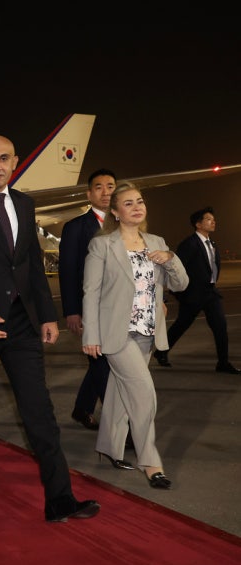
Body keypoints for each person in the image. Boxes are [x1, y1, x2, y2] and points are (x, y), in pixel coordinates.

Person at [0, 134, 100, 522]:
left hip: (21, 322)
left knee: (38, 408)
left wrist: (46, 315)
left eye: (3, 159)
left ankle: (59, 498)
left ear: (15, 162)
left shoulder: (25, 204)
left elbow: (30, 264)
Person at [82, 181, 189, 488]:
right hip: (116, 333)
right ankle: (151, 461)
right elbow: (90, 292)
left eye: (139, 201)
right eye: (128, 203)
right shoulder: (102, 245)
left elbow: (180, 285)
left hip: (147, 331)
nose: (137, 206)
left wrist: (171, 258)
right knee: (144, 394)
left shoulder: (156, 241)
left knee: (119, 391)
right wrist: (91, 334)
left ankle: (110, 447)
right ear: (115, 212)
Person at [58, 169, 116, 430]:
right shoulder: (76, 227)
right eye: (100, 187)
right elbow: (68, 270)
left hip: (121, 307)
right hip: (91, 307)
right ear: (89, 194)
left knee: (102, 360)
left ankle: (82, 408)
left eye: (111, 186)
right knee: (103, 362)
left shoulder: (126, 223)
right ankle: (118, 424)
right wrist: (72, 310)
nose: (106, 192)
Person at [154, 207, 240, 374]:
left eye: (213, 219)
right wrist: (179, 293)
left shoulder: (212, 244)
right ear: (198, 224)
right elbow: (177, 269)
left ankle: (223, 363)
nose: (213, 221)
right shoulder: (189, 244)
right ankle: (161, 352)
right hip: (192, 295)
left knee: (220, 326)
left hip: (210, 293)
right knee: (181, 325)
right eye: (208, 219)